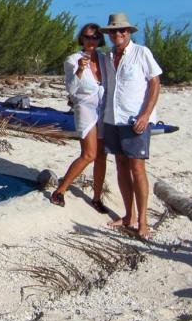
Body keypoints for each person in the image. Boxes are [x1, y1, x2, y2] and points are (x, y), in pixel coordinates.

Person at [99, 12, 162, 239]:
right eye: (113, 31)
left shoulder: (141, 53)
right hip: (112, 118)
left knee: (137, 168)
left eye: (122, 30)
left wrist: (146, 115)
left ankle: (143, 221)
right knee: (121, 165)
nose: (118, 34)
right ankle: (128, 216)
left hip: (135, 120)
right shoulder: (106, 57)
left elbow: (155, 83)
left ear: (129, 32)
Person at [50, 23, 109, 213]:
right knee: (89, 154)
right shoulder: (73, 60)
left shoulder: (104, 59)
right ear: (81, 38)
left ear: (100, 39)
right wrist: (80, 70)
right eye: (87, 37)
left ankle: (97, 198)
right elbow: (71, 89)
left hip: (104, 108)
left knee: (102, 155)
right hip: (85, 108)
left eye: (94, 37)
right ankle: (60, 190)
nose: (90, 41)